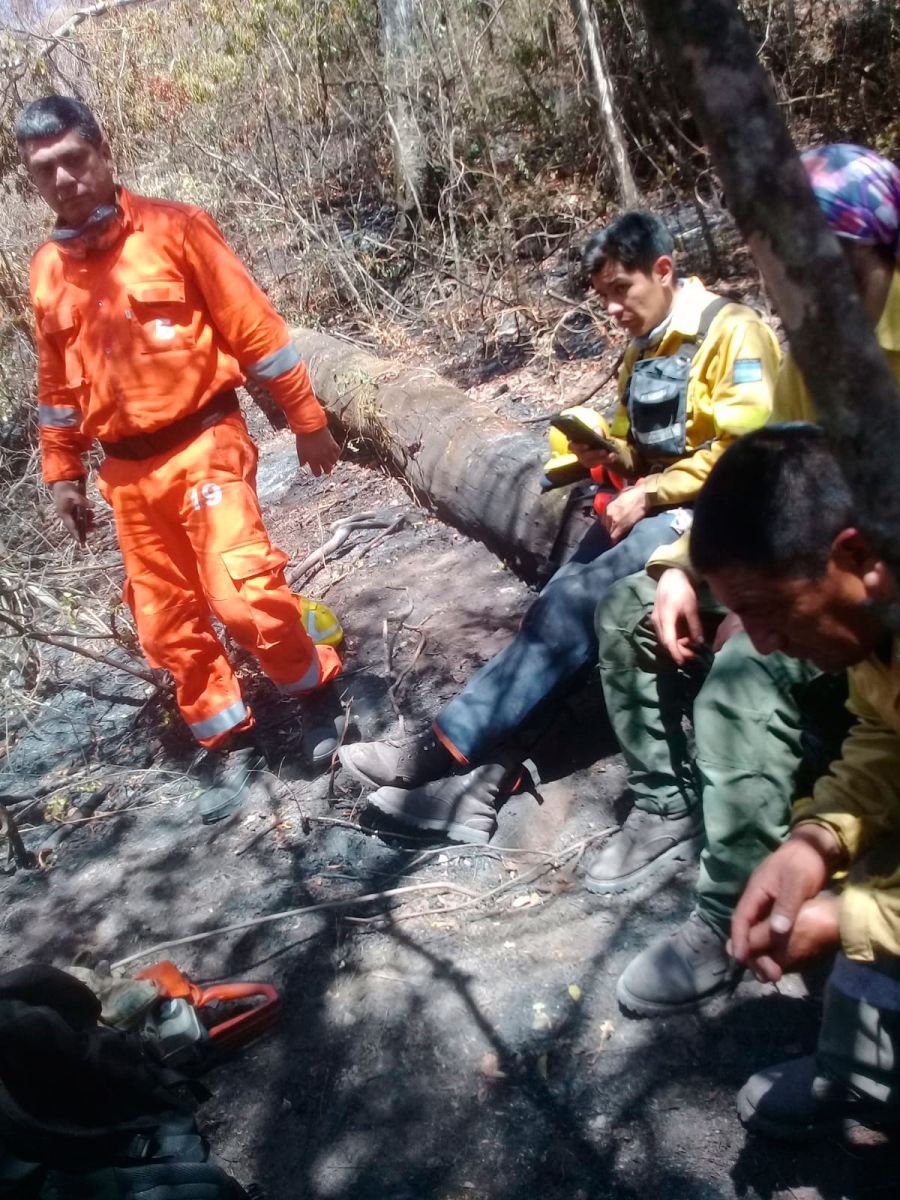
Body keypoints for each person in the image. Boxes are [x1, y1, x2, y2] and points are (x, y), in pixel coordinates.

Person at [337, 210, 780, 844]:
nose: (613, 310)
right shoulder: (644, 346)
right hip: (654, 507)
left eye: (621, 291)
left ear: (663, 270)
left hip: (717, 518)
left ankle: (438, 750)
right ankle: (480, 787)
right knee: (558, 611)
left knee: (574, 605)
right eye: (604, 297)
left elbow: (751, 452)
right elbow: (639, 445)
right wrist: (610, 457)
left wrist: (654, 489)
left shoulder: (733, 334)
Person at [591, 145, 900, 1017]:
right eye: (777, 269)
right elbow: (771, 473)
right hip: (828, 565)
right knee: (630, 605)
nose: (799, 294)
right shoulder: (812, 350)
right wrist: (693, 568)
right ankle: (676, 823)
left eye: (824, 267)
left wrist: (854, 916)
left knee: (746, 669)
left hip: (852, 578)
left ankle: (736, 907)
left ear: (876, 250)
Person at [17, 95, 345, 821]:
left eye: (76, 159)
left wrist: (307, 418)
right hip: (126, 476)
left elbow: (257, 331)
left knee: (241, 592)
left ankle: (316, 691)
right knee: (165, 622)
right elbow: (56, 389)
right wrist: (62, 472)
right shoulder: (45, 272)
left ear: (104, 154)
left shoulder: (176, 228)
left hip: (204, 441)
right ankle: (229, 739)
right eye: (47, 170)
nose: (66, 178)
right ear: (31, 181)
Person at [688, 424, 900, 1140]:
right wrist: (816, 841)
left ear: (855, 555)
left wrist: (850, 919)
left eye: (770, 609)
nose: (763, 640)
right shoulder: (878, 624)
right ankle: (868, 1080)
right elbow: (885, 738)